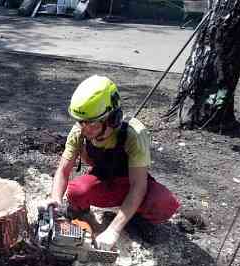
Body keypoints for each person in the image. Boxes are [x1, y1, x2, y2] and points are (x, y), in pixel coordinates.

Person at [48, 75, 180, 250]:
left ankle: (136, 219)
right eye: (81, 122)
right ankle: (83, 213)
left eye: (92, 124)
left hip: (131, 183)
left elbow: (138, 186)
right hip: (103, 180)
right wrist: (55, 199)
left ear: (113, 118)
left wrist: (113, 230)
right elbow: (63, 171)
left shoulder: (134, 134)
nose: (85, 130)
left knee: (163, 202)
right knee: (76, 192)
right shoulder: (79, 132)